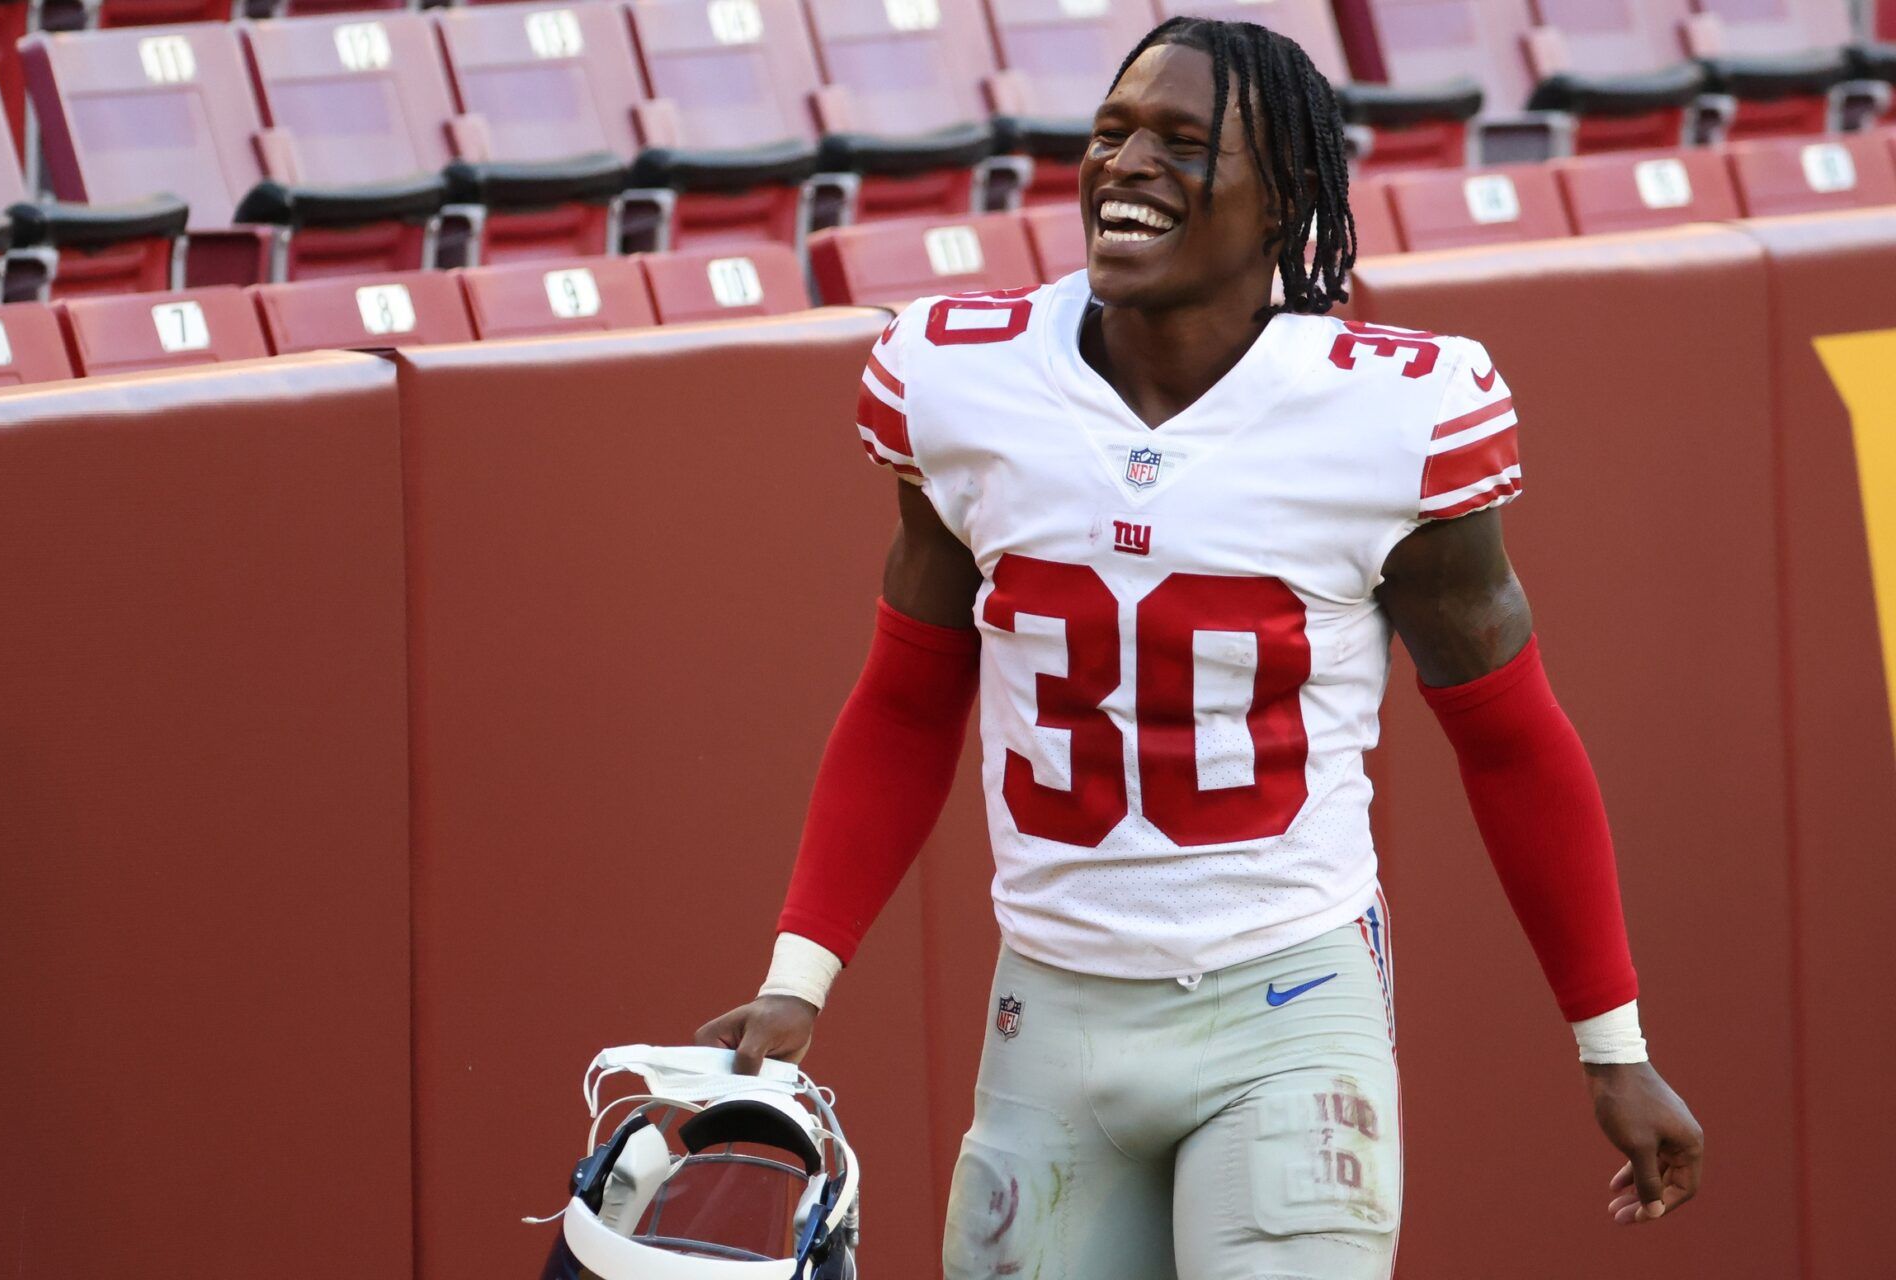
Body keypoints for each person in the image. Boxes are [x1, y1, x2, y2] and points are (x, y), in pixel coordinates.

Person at [697, 16, 1704, 1278]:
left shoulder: (1394, 416)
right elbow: (907, 702)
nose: (1127, 164)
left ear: (1285, 200)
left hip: (1285, 1003)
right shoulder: (965, 383)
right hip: (1048, 1012)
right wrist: (802, 971)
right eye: (1111, 132)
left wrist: (1611, 1042)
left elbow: (1509, 740)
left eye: (1183, 142)